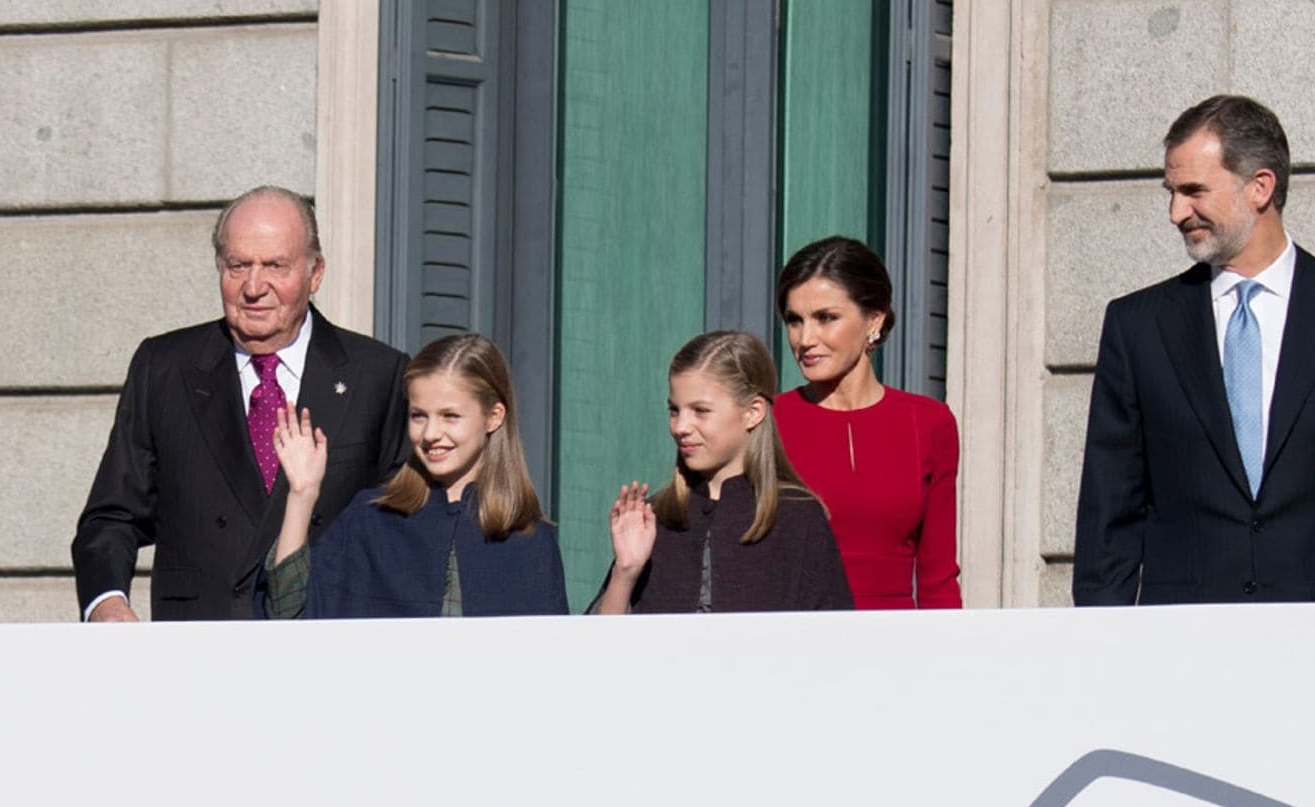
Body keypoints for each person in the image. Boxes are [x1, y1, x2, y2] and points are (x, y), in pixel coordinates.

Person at [1073, 94, 1315, 604]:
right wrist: (1102, 650)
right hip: (1184, 647)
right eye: (1171, 192)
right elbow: (1107, 518)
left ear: (1260, 187)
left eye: (1194, 191)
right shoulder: (1139, 326)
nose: (1177, 212)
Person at [71, 185, 411, 621]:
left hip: (325, 645)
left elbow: (401, 528)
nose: (254, 286)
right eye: (238, 266)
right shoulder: (164, 368)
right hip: (199, 646)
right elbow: (111, 516)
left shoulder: (377, 376)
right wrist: (107, 602)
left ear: (315, 272)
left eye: (275, 266)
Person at [260, 333, 569, 618]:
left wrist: (621, 572)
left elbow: (561, 662)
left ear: (494, 417)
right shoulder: (368, 520)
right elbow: (289, 613)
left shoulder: (531, 542)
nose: (431, 434)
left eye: (450, 416)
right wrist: (302, 495)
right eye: (419, 416)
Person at [593, 330, 852, 614]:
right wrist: (625, 572)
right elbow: (598, 651)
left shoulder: (797, 519)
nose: (681, 426)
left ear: (753, 412)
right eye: (674, 410)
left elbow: (833, 642)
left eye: (700, 411)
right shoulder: (657, 518)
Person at [772, 237, 961, 609]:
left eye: (826, 318)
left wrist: (948, 661)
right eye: (795, 320)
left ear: (874, 320)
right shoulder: (767, 422)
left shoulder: (928, 423)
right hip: (793, 647)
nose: (805, 339)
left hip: (897, 651)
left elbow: (938, 579)